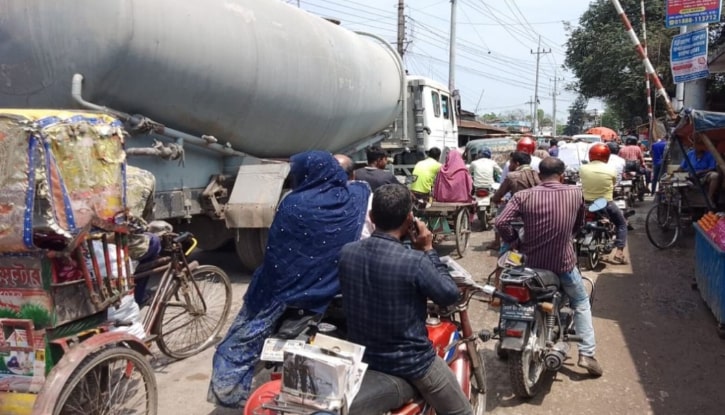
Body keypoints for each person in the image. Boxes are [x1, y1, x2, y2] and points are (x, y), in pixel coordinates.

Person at [208, 151, 371, 408]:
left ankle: (230, 395)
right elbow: (362, 187)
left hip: (280, 291)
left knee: (237, 342)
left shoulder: (292, 203)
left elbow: (276, 253)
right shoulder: (357, 198)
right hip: (333, 291)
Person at [339, 183, 473, 415]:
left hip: (363, 356)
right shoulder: (415, 261)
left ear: (371, 216)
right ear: (410, 218)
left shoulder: (347, 252)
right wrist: (429, 249)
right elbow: (449, 295)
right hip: (412, 363)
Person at [495, 157, 603, 377]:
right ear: (562, 175)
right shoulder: (575, 193)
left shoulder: (523, 196)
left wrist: (515, 241)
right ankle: (587, 354)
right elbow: (579, 224)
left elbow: (500, 222)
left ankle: (506, 340)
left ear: (538, 175)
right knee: (581, 301)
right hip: (562, 264)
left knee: (511, 293)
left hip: (530, 263)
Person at [488, 151, 540, 278]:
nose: (509, 164)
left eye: (510, 162)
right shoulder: (537, 175)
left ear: (516, 163)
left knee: (506, 249)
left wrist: (496, 200)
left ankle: (497, 284)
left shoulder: (512, 176)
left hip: (517, 220)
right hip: (535, 220)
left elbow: (497, 196)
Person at [580, 143, 629, 264]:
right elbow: (614, 183)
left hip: (586, 203)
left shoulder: (583, 168)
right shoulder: (611, 169)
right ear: (606, 156)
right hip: (605, 203)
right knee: (622, 224)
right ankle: (619, 252)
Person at [676, 134, 720, 206]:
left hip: (704, 176)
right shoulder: (690, 154)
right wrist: (675, 173)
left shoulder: (709, 154)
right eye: (697, 145)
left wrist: (700, 172)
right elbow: (682, 167)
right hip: (691, 176)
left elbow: (712, 168)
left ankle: (709, 197)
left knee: (715, 176)